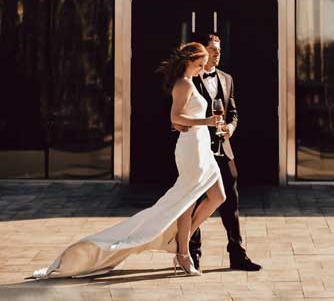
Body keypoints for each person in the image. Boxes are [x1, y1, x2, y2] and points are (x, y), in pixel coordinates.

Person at [32, 42, 225, 279]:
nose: (201, 69)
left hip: (203, 145)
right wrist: (205, 122)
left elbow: (184, 120)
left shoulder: (192, 82)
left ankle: (178, 240)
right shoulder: (183, 84)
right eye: (199, 64)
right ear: (188, 61)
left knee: (217, 196)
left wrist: (207, 125)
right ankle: (183, 252)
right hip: (192, 148)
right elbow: (175, 118)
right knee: (186, 200)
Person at [173, 34, 261, 272]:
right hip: (199, 148)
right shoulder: (189, 78)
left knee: (229, 200)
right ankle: (191, 252)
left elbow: (232, 111)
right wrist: (205, 122)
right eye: (212, 49)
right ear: (202, 51)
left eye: (219, 50)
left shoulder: (227, 78)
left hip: (223, 148)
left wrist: (230, 128)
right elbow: (177, 115)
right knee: (195, 198)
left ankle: (237, 254)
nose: (216, 54)